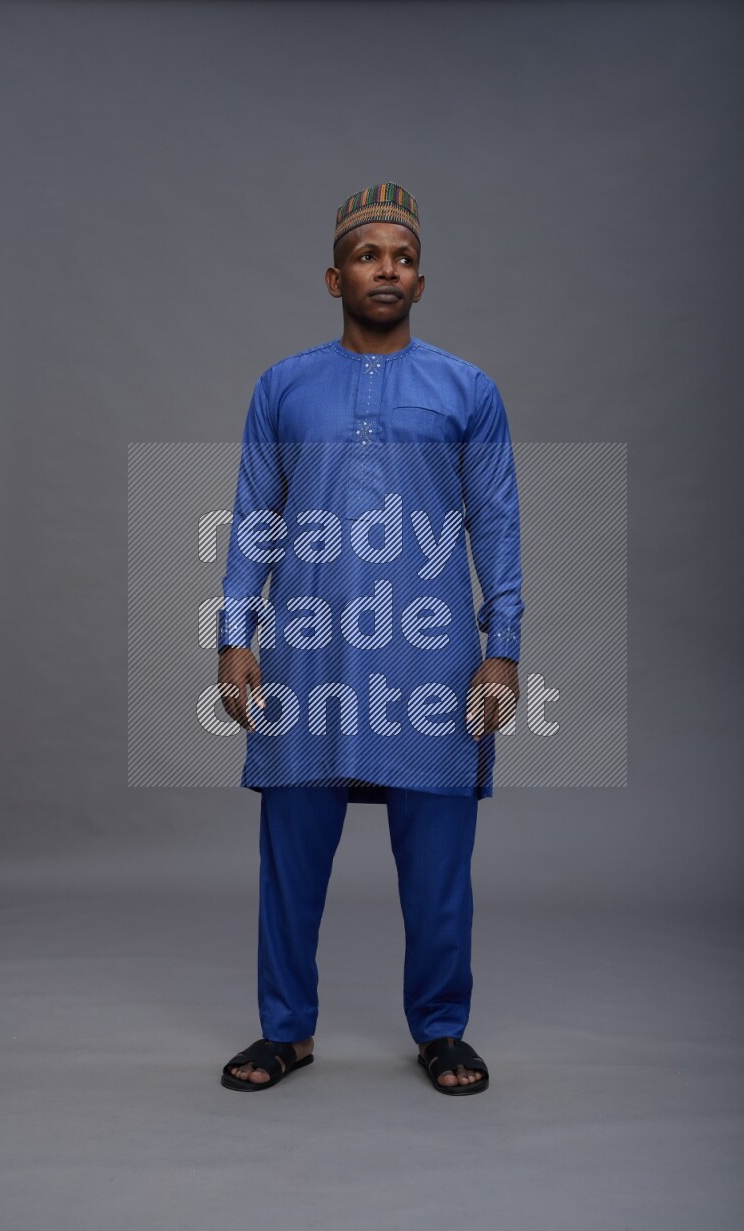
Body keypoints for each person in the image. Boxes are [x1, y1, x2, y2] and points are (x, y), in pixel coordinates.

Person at [216, 182, 524, 1095]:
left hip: (429, 659)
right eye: (365, 254)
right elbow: (252, 519)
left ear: (419, 281)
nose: (383, 268)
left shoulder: (467, 388)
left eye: (399, 256)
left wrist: (501, 646)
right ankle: (286, 1031)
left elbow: (497, 522)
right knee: (291, 854)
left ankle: (441, 1029)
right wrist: (236, 634)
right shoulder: (284, 385)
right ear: (334, 275)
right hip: (311, 652)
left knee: (438, 864)